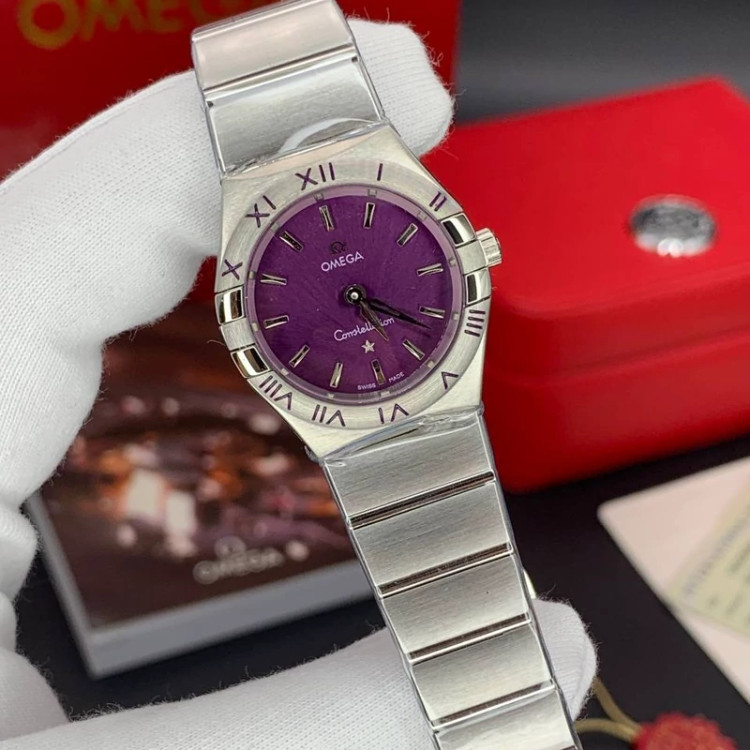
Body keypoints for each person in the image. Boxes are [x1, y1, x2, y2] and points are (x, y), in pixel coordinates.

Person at [0, 17, 596, 749]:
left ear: (470, 252)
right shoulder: (339, 268)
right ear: (241, 321)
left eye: (361, 294)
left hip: (412, 393)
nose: (354, 298)